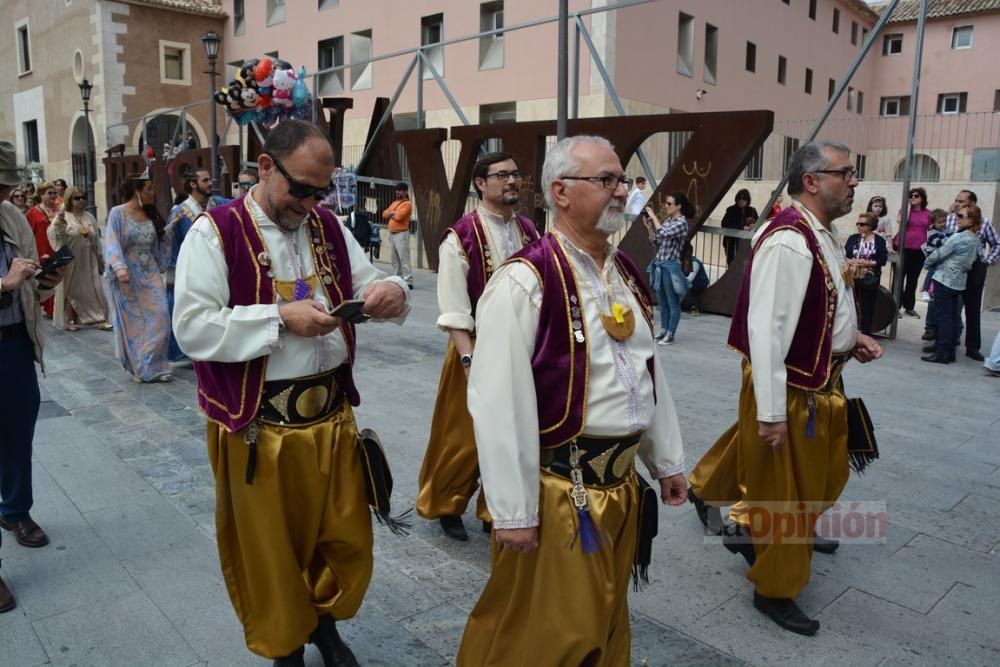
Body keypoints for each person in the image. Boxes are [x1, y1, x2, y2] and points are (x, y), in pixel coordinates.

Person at [173, 119, 408, 666]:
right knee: (272, 552)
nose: (310, 202)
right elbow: (192, 328)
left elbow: (370, 278)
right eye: (300, 188)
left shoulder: (326, 225)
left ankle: (323, 621)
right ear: (263, 167)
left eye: (320, 191)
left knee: (342, 538)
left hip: (332, 416)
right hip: (260, 427)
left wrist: (390, 292)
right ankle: (287, 647)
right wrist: (278, 318)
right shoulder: (215, 232)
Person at [456, 135, 686, 665]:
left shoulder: (624, 273)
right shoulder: (524, 280)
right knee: (546, 635)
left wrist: (665, 458)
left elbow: (648, 374)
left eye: (622, 180)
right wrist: (513, 510)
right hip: (563, 494)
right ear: (560, 191)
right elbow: (497, 404)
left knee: (603, 618)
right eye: (606, 180)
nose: (620, 191)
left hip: (621, 488)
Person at [690, 141, 882, 636]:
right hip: (793, 387)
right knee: (787, 496)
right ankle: (774, 589)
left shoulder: (820, 233)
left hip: (817, 380)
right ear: (813, 180)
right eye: (847, 172)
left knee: (817, 477)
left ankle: (716, 498)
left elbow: (825, 303)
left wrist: (851, 338)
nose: (855, 182)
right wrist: (772, 412)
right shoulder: (789, 240)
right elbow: (767, 335)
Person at [417, 151, 540, 541]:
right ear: (480, 183)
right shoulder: (461, 236)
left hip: (522, 352)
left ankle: (495, 509)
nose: (511, 181)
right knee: (462, 435)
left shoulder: (530, 232)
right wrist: (469, 359)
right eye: (501, 175)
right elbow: (453, 308)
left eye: (516, 174)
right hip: (475, 348)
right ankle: (445, 504)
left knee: (514, 432)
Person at [0, 140, 67, 612]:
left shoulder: (12, 217)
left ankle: (15, 512)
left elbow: (27, 279)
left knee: (19, 430)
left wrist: (44, 280)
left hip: (14, 344)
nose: (3, 193)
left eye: (4, 185)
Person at [104, 174, 175, 383]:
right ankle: (141, 368)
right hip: (128, 273)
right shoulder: (118, 213)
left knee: (161, 316)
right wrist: (119, 267)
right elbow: (112, 241)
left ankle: (154, 363)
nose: (153, 192)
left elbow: (158, 243)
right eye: (149, 188)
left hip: (150, 271)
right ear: (138, 191)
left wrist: (169, 230)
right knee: (134, 321)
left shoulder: (150, 214)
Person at [165, 167, 227, 362]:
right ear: (193, 184)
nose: (211, 183)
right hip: (191, 269)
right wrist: (173, 275)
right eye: (206, 180)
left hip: (216, 267)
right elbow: (173, 245)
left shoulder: (217, 204)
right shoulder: (180, 211)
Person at [921, 204, 982, 364]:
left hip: (945, 279)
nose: (957, 219)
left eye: (961, 216)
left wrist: (928, 262)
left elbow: (940, 253)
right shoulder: (975, 238)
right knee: (952, 316)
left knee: (945, 317)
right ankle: (949, 352)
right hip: (959, 281)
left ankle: (943, 352)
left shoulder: (959, 237)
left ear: (972, 219)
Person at [943, 189, 999, 361]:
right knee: (950, 309)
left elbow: (996, 243)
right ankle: (947, 344)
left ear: (972, 203)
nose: (957, 204)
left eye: (961, 201)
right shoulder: (951, 218)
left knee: (973, 309)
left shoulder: (984, 222)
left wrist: (987, 261)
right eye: (956, 200)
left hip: (975, 267)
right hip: (954, 266)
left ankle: (973, 347)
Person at [46, 186, 112, 331]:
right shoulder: (64, 216)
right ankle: (71, 319)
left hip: (89, 258)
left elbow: (96, 238)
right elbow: (54, 234)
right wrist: (59, 223)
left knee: (95, 287)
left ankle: (100, 318)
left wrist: (100, 256)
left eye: (83, 197)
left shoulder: (89, 217)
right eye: (77, 198)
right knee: (72, 289)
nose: (81, 200)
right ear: (70, 200)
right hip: (71, 258)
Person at [643, 193, 694, 345]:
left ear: (679, 206)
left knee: (672, 302)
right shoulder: (667, 221)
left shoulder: (681, 223)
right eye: (666, 203)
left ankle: (671, 333)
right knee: (662, 302)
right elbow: (657, 241)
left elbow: (665, 234)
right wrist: (650, 228)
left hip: (671, 266)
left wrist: (653, 216)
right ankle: (664, 330)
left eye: (669, 204)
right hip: (660, 264)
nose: (666, 206)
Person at [844, 212, 888, 335]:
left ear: (870, 226)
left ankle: (865, 333)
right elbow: (843, 255)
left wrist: (868, 263)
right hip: (852, 275)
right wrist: (850, 261)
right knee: (850, 304)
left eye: (862, 224)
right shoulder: (853, 238)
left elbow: (882, 260)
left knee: (867, 307)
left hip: (869, 277)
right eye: (858, 224)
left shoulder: (879, 240)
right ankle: (849, 332)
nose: (859, 226)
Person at [25, 182, 60, 318]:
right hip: (41, 249)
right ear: (41, 195)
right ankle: (50, 309)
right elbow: (27, 233)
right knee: (46, 278)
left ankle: (60, 310)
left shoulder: (60, 209)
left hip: (58, 247)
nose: (53, 195)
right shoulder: (33, 212)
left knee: (60, 277)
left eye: (54, 193)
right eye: (49, 193)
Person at [896, 187, 931, 317]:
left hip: (919, 250)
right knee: (899, 278)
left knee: (913, 279)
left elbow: (932, 229)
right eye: (911, 195)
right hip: (904, 247)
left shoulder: (928, 213)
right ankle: (896, 306)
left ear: (922, 198)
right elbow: (901, 222)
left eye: (916, 196)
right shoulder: (905, 211)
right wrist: (908, 207)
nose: (913, 197)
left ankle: (909, 306)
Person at [382, 182, 413, 288]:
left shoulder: (407, 204)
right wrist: (393, 213)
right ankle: (398, 279)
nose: (397, 192)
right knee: (394, 259)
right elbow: (384, 214)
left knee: (404, 258)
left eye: (400, 190)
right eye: (397, 190)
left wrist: (392, 213)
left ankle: (408, 281)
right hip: (392, 234)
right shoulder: (395, 203)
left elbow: (399, 217)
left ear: (405, 191)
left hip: (401, 234)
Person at [721, 188, 758, 265]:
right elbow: (724, 224)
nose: (741, 200)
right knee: (732, 265)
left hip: (746, 245)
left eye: (744, 198)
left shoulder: (752, 211)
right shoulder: (731, 210)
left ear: (747, 200)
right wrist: (741, 227)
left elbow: (758, 223)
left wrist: (754, 225)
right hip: (732, 244)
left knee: (745, 266)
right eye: (739, 198)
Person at [920, 209, 950, 302]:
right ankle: (925, 289)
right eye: (939, 222)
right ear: (933, 223)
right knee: (932, 272)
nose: (943, 224)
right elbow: (939, 243)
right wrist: (950, 240)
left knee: (939, 275)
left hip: (941, 256)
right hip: (932, 256)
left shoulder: (947, 230)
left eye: (944, 221)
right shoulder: (931, 233)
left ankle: (933, 292)